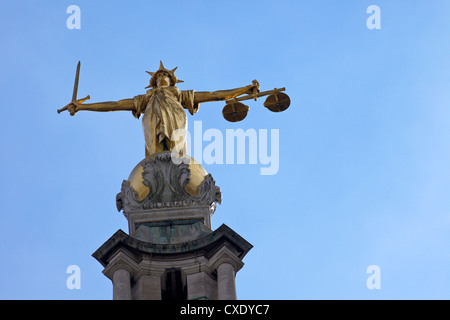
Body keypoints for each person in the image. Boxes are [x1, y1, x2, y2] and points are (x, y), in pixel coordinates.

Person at [64, 61, 259, 157]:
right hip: (151, 119)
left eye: (165, 75)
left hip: (176, 119)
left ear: (172, 80)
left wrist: (243, 89)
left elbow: (214, 94)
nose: (162, 77)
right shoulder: (147, 98)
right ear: (154, 82)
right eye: (158, 76)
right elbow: (116, 105)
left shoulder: (179, 95)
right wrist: (83, 107)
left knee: (175, 156)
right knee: (157, 156)